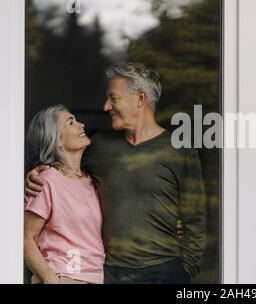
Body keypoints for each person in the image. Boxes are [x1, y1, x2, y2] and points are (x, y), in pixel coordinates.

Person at [26, 63, 207, 284]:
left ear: (140, 99)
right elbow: (64, 166)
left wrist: (186, 270)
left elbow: (195, 220)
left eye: (113, 98)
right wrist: (35, 172)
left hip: (164, 271)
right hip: (110, 273)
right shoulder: (98, 146)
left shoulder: (180, 149)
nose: (105, 106)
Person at [24, 105, 104, 284]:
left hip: (96, 278)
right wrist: (51, 279)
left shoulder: (92, 181)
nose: (81, 125)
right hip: (64, 277)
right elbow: (26, 238)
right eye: (71, 122)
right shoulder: (46, 180)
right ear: (56, 140)